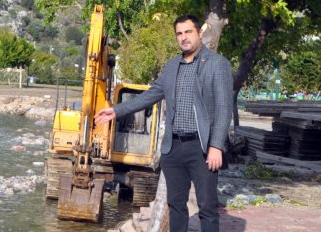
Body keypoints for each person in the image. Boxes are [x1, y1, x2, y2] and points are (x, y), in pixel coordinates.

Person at [94, 15, 233, 232]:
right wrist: (116, 110)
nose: (184, 38)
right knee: (176, 206)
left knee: (207, 207)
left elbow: (224, 109)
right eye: (179, 33)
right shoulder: (171, 66)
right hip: (173, 148)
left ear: (199, 33)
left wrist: (216, 146)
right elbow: (149, 96)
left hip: (202, 148)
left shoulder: (218, 64)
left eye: (188, 32)